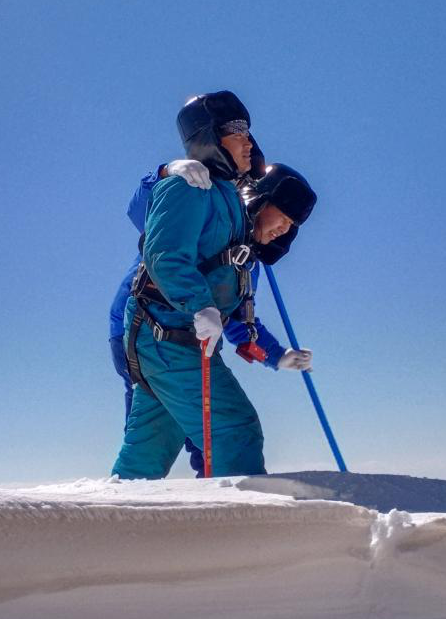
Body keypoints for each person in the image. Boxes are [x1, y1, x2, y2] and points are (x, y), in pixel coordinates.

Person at [111, 91, 317, 480]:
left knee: (152, 442)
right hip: (162, 333)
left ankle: (117, 508)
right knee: (232, 429)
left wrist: (276, 356)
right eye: (237, 134)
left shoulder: (235, 227)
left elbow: (237, 316)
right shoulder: (192, 185)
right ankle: (235, 514)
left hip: (180, 337)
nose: (249, 143)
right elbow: (160, 246)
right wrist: (164, 172)